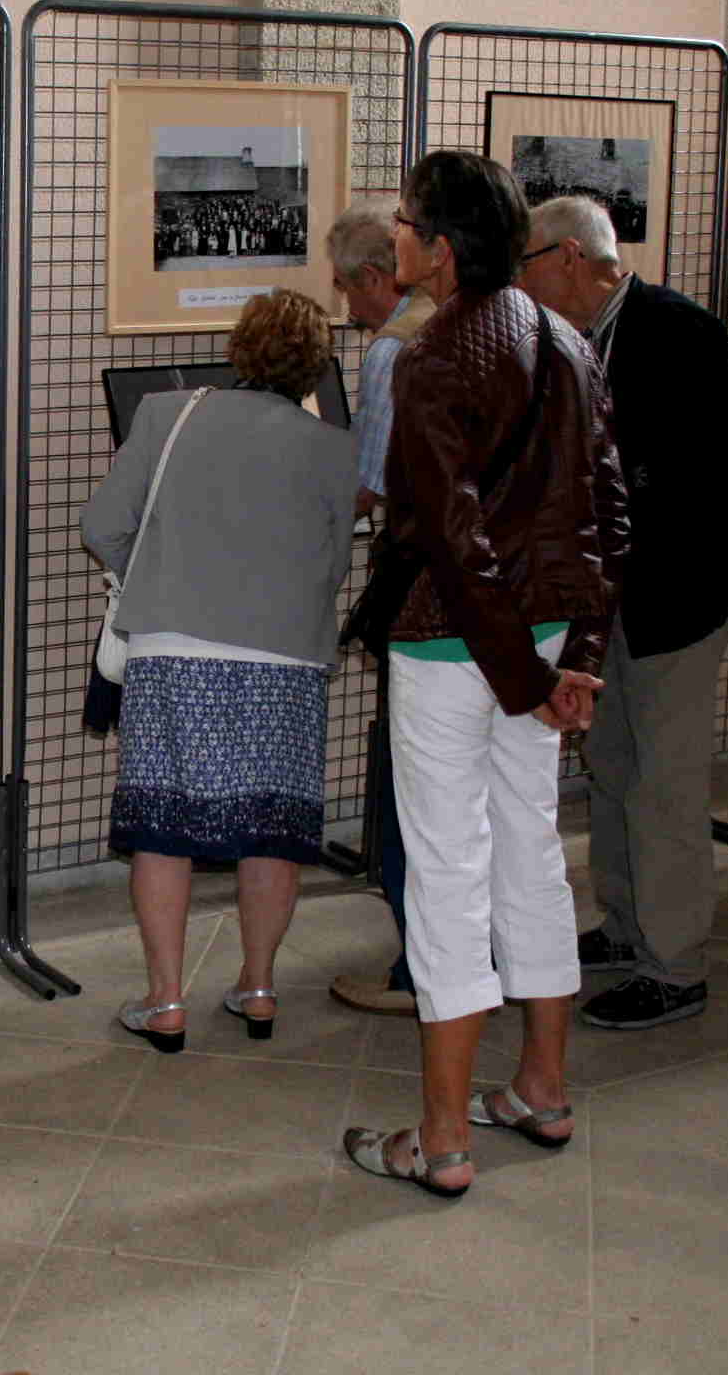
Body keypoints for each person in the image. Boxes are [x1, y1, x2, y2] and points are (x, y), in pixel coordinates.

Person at [342, 152, 628, 1200]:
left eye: (408, 222)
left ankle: (441, 1135)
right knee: (535, 854)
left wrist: (527, 678)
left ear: (444, 246)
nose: (397, 237)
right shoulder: (567, 340)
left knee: (450, 873)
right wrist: (574, 668)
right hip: (543, 644)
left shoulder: (430, 358)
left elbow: (459, 550)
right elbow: (608, 515)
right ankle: (542, 1086)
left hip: (455, 646)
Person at [517, 197, 728, 1031]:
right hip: (607, 601)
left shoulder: (677, 331)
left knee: (664, 783)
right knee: (611, 768)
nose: (519, 283)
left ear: (567, 256)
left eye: (525, 264)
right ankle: (627, 925)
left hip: (673, 595)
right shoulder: (573, 339)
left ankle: (675, 967)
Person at [81, 289, 358, 1050]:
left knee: (162, 830)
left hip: (174, 651)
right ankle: (260, 988)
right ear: (316, 362)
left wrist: (160, 572)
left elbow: (101, 525)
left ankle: (165, 1002)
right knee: (273, 827)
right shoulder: (335, 448)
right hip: (286, 659)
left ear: (240, 348)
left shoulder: (169, 417)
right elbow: (329, 568)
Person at [321, 197, 437, 1020]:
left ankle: (418, 972)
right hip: (486, 590)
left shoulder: (394, 351)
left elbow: (371, 486)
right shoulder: (474, 322)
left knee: (414, 781)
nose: (343, 307)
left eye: (344, 287)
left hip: (422, 587)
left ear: (374, 276)